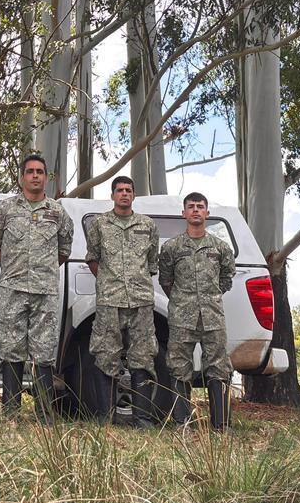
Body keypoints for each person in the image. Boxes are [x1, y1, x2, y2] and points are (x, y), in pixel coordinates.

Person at [0, 154, 73, 421]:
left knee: (44, 352)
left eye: (40, 172)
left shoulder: (58, 212)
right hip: (12, 289)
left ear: (45, 177)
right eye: (30, 171)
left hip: (45, 292)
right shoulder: (5, 210)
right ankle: (10, 413)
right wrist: (16, 271)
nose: (35, 176)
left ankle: (44, 415)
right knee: (12, 349)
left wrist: (41, 273)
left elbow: (64, 250)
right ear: (22, 177)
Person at [157, 192, 236, 431]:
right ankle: (182, 422)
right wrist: (183, 301)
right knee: (179, 365)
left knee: (218, 365)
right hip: (182, 316)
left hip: (212, 316)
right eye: (190, 207)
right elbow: (166, 280)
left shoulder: (220, 248)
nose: (195, 210)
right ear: (184, 213)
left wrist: (208, 298)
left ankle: (221, 424)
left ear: (207, 214)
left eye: (200, 207)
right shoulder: (171, 248)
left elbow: (226, 279)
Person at [84, 175, 159, 427]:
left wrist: (134, 283)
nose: (124, 194)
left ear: (134, 195)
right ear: (112, 195)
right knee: (106, 355)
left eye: (128, 190)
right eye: (119, 190)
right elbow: (93, 257)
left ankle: (142, 419)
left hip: (141, 301)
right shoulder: (100, 224)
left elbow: (151, 264)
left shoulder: (148, 225)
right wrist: (109, 282)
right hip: (109, 301)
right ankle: (106, 417)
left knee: (144, 357)